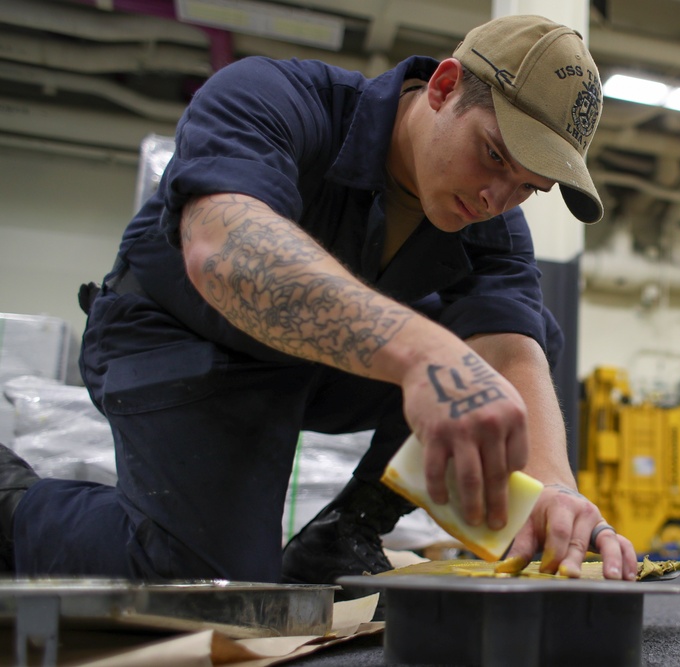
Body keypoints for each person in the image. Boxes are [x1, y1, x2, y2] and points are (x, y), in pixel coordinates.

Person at [0, 14, 638, 584]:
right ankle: (10, 501)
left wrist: (552, 489)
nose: (497, 198)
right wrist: (423, 355)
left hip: (312, 366)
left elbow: (510, 350)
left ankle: (343, 530)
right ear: (443, 88)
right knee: (203, 582)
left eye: (529, 187)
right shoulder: (275, 98)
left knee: (525, 332)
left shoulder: (490, 223)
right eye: (494, 155)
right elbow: (224, 251)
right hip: (177, 335)